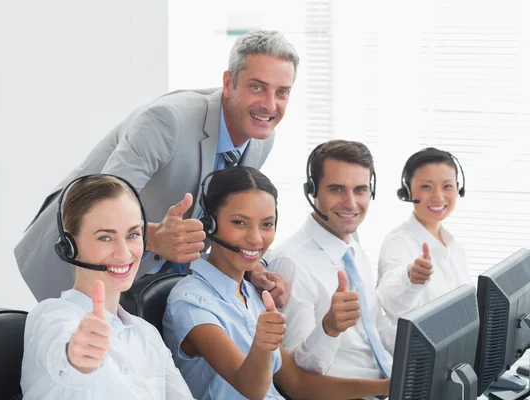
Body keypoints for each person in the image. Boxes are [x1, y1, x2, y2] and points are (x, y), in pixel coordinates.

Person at [15, 30, 298, 305]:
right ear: (229, 83)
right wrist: (152, 237)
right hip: (82, 259)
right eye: (257, 87)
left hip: (158, 278)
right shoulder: (169, 120)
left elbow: (228, 216)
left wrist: (253, 266)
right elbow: (98, 206)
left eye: (282, 92)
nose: (269, 105)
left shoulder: (261, 137)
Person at [163, 166, 390, 400]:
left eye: (267, 224)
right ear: (210, 223)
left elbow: (298, 385)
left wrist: (386, 387)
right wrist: (262, 345)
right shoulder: (191, 302)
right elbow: (251, 389)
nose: (256, 238)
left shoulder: (250, 294)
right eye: (240, 223)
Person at [20, 175, 194, 400]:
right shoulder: (51, 316)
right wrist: (75, 357)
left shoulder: (147, 335)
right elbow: (63, 354)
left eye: (132, 235)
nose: (124, 253)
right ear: (70, 247)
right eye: (105, 238)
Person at [268, 140, 396, 383]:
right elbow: (295, 374)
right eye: (337, 189)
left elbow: (379, 328)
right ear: (312, 191)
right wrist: (329, 330)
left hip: (385, 384)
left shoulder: (353, 249)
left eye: (360, 189)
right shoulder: (292, 263)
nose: (350, 202)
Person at [376, 147, 470, 323]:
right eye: (426, 186)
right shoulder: (398, 242)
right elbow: (388, 301)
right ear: (407, 191)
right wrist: (410, 279)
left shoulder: (454, 246)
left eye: (447, 186)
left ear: (458, 189)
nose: (438, 196)